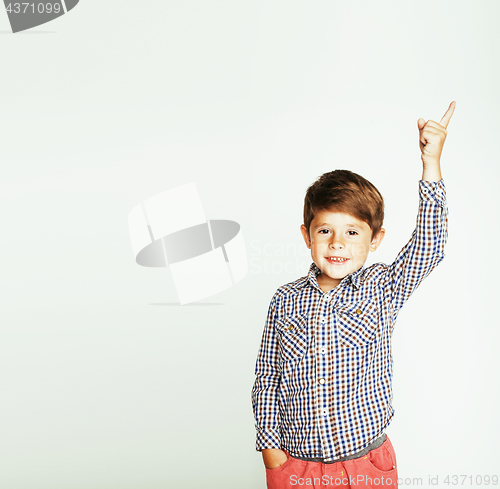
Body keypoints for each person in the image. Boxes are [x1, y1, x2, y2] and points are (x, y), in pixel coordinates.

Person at [251, 102, 456, 488]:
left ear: (375, 239)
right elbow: (267, 376)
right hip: (297, 465)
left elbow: (430, 246)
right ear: (306, 235)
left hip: (365, 463)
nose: (337, 243)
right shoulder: (284, 299)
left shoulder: (382, 288)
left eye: (353, 232)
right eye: (325, 230)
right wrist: (270, 449)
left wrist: (431, 163)